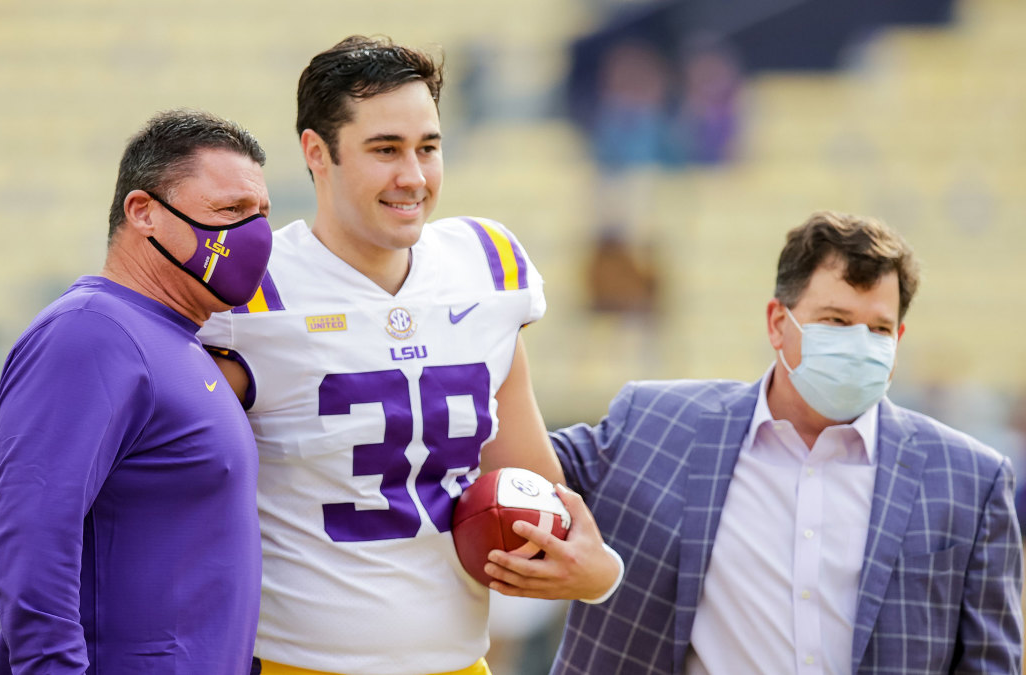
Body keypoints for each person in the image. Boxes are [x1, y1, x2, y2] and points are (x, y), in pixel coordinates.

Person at [197, 36, 623, 675]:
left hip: (458, 664)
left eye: (428, 147)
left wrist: (596, 571)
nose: (414, 176)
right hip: (297, 663)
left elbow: (532, 488)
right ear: (318, 153)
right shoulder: (250, 290)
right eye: (385, 150)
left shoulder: (486, 264)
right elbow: (165, 468)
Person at [491, 211, 1024, 673]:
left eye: (879, 330)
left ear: (899, 340)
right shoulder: (656, 426)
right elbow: (525, 476)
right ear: (777, 323)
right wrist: (496, 338)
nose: (859, 345)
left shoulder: (971, 480)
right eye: (836, 320)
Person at [0, 109, 273, 674]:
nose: (254, 233)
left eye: (262, 213)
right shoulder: (92, 331)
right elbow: (31, 538)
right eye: (230, 211)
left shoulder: (183, 342)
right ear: (143, 212)